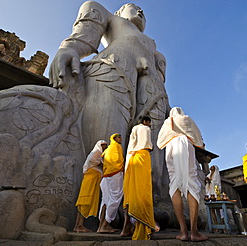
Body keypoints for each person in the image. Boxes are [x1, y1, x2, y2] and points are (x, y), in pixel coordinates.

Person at [49, 2, 169, 155]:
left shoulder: (156, 51)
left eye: (143, 12)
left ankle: (144, 178)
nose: (140, 11)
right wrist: (69, 48)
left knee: (152, 151)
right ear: (119, 12)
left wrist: (169, 109)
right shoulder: (110, 17)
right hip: (115, 69)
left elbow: (161, 81)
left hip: (153, 90)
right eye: (133, 6)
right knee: (107, 139)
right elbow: (86, 35)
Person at [157, 107, 208, 242]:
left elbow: (159, 142)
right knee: (192, 181)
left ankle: (183, 231)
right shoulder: (186, 119)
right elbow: (198, 138)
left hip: (170, 147)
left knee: (174, 183)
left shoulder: (167, 122)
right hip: (185, 145)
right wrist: (199, 144)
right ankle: (194, 232)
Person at [121, 116, 155, 240]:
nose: (150, 125)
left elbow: (131, 147)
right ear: (145, 122)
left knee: (133, 192)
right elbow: (147, 144)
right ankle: (143, 224)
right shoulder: (145, 129)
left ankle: (127, 227)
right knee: (143, 191)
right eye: (149, 122)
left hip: (133, 159)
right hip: (143, 157)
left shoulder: (135, 129)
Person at [74, 140, 108, 232]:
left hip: (94, 183)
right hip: (89, 182)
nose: (105, 147)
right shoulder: (95, 154)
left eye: (106, 145)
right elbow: (92, 160)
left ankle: (79, 225)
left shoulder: (100, 157)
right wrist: (102, 163)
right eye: (103, 145)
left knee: (86, 202)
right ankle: (79, 225)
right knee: (84, 201)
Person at [97, 133, 124, 233]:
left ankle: (100, 226)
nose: (121, 138)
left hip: (106, 177)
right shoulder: (116, 146)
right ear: (114, 138)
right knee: (116, 197)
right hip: (114, 174)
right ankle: (106, 223)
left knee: (105, 200)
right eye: (119, 137)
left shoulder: (108, 149)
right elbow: (116, 161)